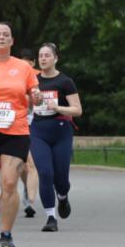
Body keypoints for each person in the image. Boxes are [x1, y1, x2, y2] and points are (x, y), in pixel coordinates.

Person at [0, 22, 42, 247]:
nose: (2, 38)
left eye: (6, 35)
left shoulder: (23, 68)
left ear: (12, 41)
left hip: (16, 131)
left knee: (9, 183)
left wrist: (36, 97)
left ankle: (6, 233)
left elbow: (36, 99)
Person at [30, 43, 82, 233]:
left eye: (47, 55)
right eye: (40, 55)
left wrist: (58, 107)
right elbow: (23, 103)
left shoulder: (65, 81)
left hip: (61, 131)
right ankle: (51, 217)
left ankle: (62, 196)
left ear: (55, 59)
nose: (43, 58)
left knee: (61, 178)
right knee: (45, 173)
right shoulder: (32, 80)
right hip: (38, 131)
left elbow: (77, 110)